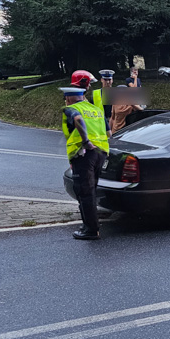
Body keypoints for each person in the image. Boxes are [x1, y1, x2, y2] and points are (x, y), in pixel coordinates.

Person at [60, 83, 109, 240]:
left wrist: (86, 141)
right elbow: (109, 132)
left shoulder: (71, 109)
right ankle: (89, 224)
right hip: (100, 153)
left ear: (69, 98)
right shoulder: (96, 110)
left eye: (65, 98)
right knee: (91, 190)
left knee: (84, 192)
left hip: (84, 155)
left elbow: (78, 120)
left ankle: (91, 229)